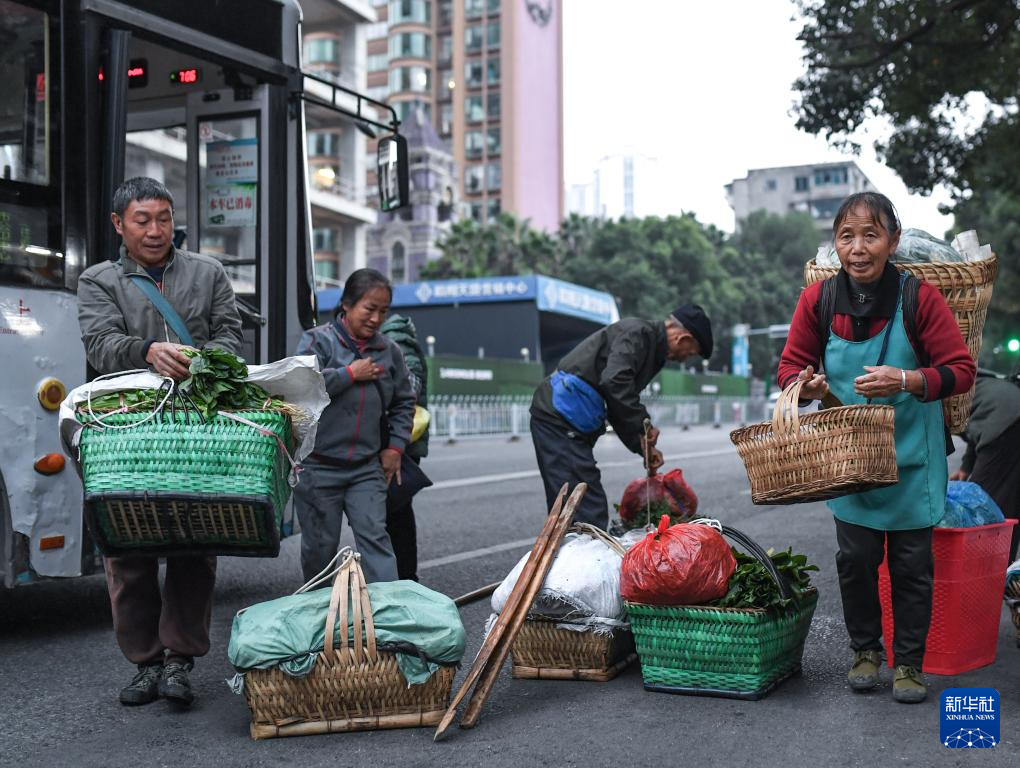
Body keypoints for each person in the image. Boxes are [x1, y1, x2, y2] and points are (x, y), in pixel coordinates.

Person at [778, 191, 975, 704]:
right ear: (836, 245)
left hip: (913, 459)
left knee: (912, 565)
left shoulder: (921, 299)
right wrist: (809, 387)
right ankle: (866, 651)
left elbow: (960, 371)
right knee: (855, 559)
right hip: (851, 460)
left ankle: (909, 663)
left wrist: (908, 379)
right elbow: (788, 368)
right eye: (847, 236)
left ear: (893, 239)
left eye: (871, 235)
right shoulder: (817, 302)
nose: (859, 248)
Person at [77, 177, 243, 708]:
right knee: (127, 550)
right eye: (142, 220)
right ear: (119, 225)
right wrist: (146, 351)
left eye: (164, 218)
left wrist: (203, 360)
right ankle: (145, 664)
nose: (155, 230)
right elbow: (101, 346)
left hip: (194, 424)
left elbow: (230, 336)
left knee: (196, 542)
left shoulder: (209, 272)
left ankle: (180, 661)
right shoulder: (98, 280)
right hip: (125, 427)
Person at [529, 306, 713, 529]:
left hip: (570, 420)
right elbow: (615, 382)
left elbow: (618, 402)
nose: (686, 358)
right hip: (559, 417)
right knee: (584, 507)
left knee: (578, 503)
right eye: (691, 351)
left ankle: (571, 554)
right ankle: (580, 560)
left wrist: (642, 445)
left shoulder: (653, 349)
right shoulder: (639, 333)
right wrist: (643, 422)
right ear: (683, 337)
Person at [293, 268, 415, 585]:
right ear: (346, 304)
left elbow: (404, 401)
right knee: (319, 551)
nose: (376, 318)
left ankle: (388, 621)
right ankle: (318, 620)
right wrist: (349, 374)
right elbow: (302, 389)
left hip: (366, 468)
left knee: (377, 544)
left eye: (383, 311)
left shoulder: (389, 351)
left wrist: (395, 448)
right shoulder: (316, 341)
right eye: (369, 309)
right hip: (318, 468)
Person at [949, 370, 1020, 561]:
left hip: (1004, 422)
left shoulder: (939, 388)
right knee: (1011, 501)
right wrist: (965, 468)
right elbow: (977, 429)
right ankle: (1005, 569)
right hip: (1008, 415)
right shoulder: (974, 381)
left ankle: (983, 567)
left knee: (982, 504)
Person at [380, 312, 430, 581]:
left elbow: (406, 393)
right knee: (395, 512)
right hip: (401, 441)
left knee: (396, 513)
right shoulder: (400, 341)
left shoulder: (399, 346)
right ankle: (400, 576)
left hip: (401, 445)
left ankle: (405, 577)